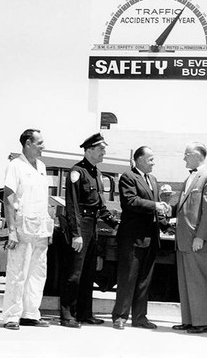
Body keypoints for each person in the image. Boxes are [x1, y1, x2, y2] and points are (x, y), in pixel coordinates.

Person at [59, 132, 117, 328]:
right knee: (74, 273)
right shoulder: (77, 172)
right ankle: (67, 315)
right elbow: (72, 205)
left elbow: (99, 205)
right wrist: (76, 234)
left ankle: (85, 314)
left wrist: (114, 223)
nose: (104, 152)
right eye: (101, 149)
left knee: (88, 273)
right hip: (81, 225)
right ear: (89, 150)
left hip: (93, 226)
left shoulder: (96, 173)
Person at [111, 146, 168, 330]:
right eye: (150, 159)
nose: (153, 162)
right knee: (127, 278)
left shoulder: (153, 179)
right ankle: (120, 316)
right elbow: (130, 201)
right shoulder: (128, 177)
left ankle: (140, 317)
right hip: (132, 237)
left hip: (150, 237)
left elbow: (156, 209)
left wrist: (166, 224)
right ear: (140, 160)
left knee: (144, 279)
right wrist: (156, 205)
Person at [2, 129, 54, 330]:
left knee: (37, 273)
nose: (43, 146)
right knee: (18, 272)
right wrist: (12, 230)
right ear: (27, 144)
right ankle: (11, 317)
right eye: (40, 142)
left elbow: (42, 199)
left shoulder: (41, 166)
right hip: (22, 227)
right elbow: (8, 198)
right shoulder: (15, 166)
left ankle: (30, 313)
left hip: (41, 228)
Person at [169, 143, 207, 334]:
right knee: (185, 283)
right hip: (183, 240)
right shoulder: (189, 178)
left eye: (187, 154)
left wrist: (201, 236)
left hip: (196, 241)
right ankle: (189, 320)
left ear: (198, 155)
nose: (184, 158)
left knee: (198, 282)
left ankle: (200, 322)